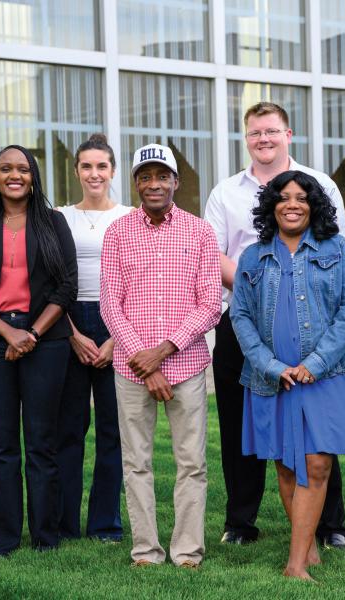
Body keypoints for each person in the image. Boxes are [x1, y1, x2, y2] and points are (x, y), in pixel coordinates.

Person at [204, 101, 345, 548]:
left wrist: (287, 288)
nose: (263, 139)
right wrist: (262, 287)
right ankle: (241, 522)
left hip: (312, 324)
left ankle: (330, 526)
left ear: (288, 135)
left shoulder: (319, 184)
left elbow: (339, 247)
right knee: (241, 423)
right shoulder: (225, 193)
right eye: (255, 132)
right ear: (246, 138)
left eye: (271, 131)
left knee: (317, 425)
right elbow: (213, 254)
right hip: (243, 321)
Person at [230, 170, 345, 581]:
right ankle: (307, 550)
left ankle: (295, 565)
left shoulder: (336, 249)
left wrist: (316, 362)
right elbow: (240, 316)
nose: (292, 204)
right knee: (287, 466)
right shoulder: (253, 256)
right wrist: (271, 366)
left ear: (314, 206)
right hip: (272, 378)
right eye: (284, 197)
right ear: (272, 205)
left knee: (317, 463)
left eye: (302, 198)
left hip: (326, 373)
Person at [99, 143, 221, 568]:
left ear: (176, 181)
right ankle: (146, 552)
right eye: (146, 177)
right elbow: (110, 305)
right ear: (135, 183)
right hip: (131, 370)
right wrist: (143, 361)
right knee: (136, 463)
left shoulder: (200, 232)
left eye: (162, 176)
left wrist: (163, 351)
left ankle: (187, 551)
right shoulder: (117, 232)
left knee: (192, 463)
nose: (154, 184)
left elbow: (210, 304)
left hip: (186, 365)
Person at [0, 145, 77, 556]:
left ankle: (45, 538)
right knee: (2, 445)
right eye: (6, 168)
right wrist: (9, 333)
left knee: (42, 442)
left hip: (47, 342)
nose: (14, 175)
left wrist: (32, 334)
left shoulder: (54, 223)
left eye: (22, 169)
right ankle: (4, 540)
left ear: (33, 176)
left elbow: (67, 286)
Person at [55, 134, 133, 542]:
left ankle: (105, 525)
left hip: (116, 324)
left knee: (113, 431)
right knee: (68, 430)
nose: (94, 173)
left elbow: (139, 284)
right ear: (76, 171)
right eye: (86, 166)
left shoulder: (130, 217)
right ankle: (64, 524)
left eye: (101, 166)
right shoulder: (59, 218)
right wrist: (72, 334)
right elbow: (48, 281)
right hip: (68, 322)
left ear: (113, 171)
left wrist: (115, 339)